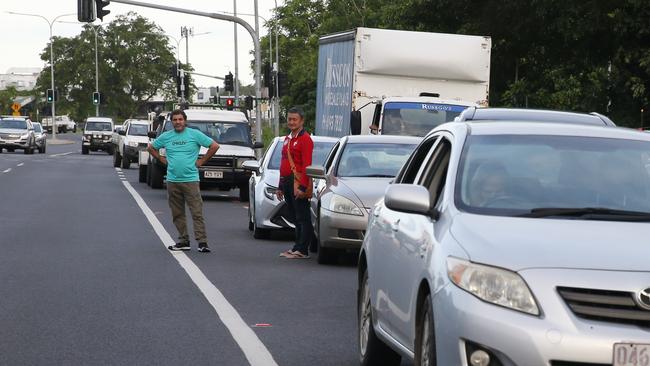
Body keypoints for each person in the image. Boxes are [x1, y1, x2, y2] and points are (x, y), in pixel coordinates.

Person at [147, 109, 220, 253]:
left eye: (180, 119)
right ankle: (183, 240)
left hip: (191, 180)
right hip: (172, 180)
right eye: (175, 120)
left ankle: (202, 242)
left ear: (185, 121)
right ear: (171, 122)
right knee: (177, 213)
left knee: (196, 212)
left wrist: (202, 161)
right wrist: (162, 159)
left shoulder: (194, 134)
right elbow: (151, 148)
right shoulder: (167, 136)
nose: (178, 122)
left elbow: (214, 146)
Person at [276, 107, 314, 259]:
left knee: (302, 217)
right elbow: (283, 162)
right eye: (289, 119)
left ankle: (303, 250)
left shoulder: (305, 139)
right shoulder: (287, 139)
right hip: (287, 181)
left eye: (294, 119)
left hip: (298, 182)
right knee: (293, 216)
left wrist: (303, 187)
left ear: (301, 121)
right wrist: (280, 185)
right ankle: (296, 246)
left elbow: (307, 165)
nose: (291, 122)